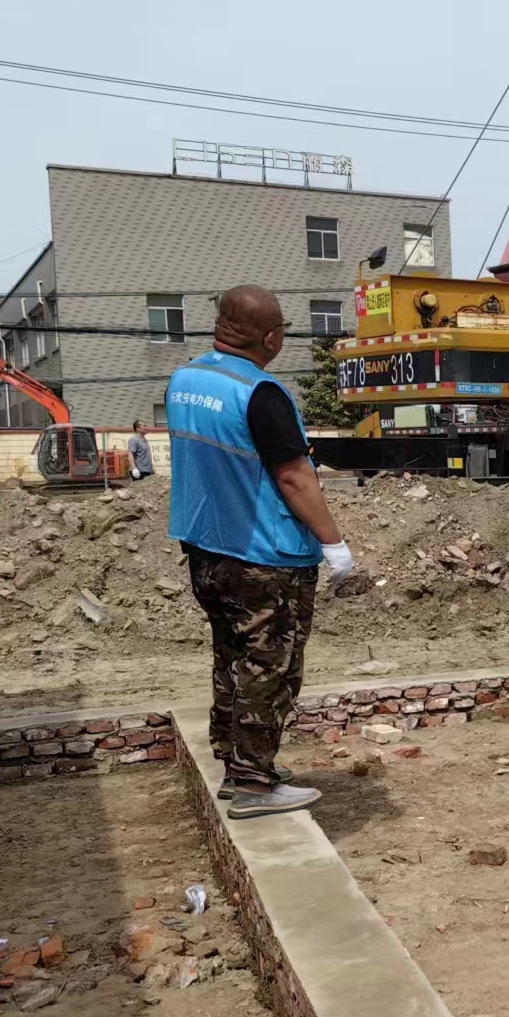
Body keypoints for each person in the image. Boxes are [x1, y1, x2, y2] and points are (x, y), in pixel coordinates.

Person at [166, 285, 356, 819]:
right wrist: (333, 543)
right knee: (269, 667)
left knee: (231, 658)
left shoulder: (187, 380)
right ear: (271, 337)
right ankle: (253, 781)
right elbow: (294, 476)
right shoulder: (260, 392)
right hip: (264, 556)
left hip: (208, 548)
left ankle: (239, 762)